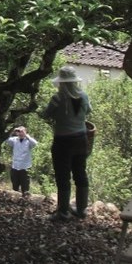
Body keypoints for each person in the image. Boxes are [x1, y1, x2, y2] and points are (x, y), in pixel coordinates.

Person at [40, 66, 92, 221]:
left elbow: (46, 115)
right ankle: (81, 210)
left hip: (63, 142)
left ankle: (63, 212)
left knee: (63, 176)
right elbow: (88, 111)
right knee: (80, 173)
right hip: (81, 139)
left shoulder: (57, 98)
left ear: (61, 82)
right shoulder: (83, 96)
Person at [4, 126, 37, 196]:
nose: (20, 133)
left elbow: (35, 143)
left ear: (25, 132)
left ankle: (25, 200)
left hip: (25, 168)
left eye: (22, 131)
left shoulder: (29, 141)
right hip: (15, 167)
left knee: (25, 188)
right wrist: (12, 131)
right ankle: (15, 200)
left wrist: (26, 135)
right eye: (19, 131)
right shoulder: (14, 140)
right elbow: (5, 138)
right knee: (15, 187)